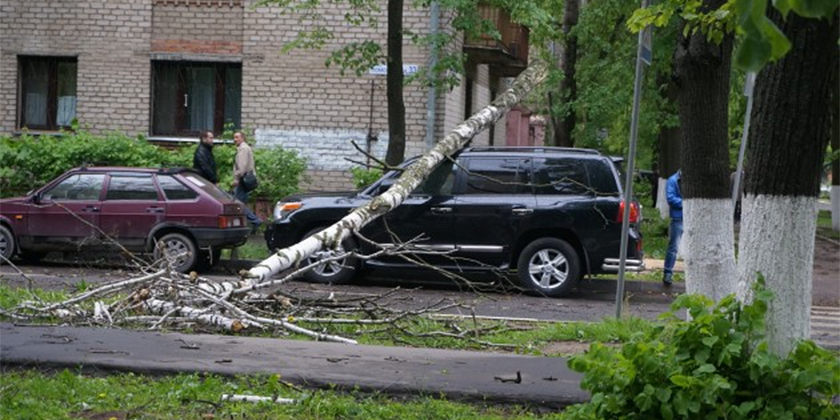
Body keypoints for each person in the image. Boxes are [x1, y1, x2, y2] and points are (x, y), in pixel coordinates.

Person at [231, 131, 262, 232]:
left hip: (242, 181)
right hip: (245, 181)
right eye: (234, 138)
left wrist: (236, 179)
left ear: (243, 138)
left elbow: (242, 167)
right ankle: (242, 225)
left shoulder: (243, 149)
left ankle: (255, 220)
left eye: (237, 137)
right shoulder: (244, 148)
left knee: (238, 205)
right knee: (240, 204)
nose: (235, 139)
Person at [663, 169, 683, 286]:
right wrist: (687, 203)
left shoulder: (694, 180)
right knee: (673, 247)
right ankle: (667, 272)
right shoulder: (673, 180)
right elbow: (670, 198)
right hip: (678, 218)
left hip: (691, 218)